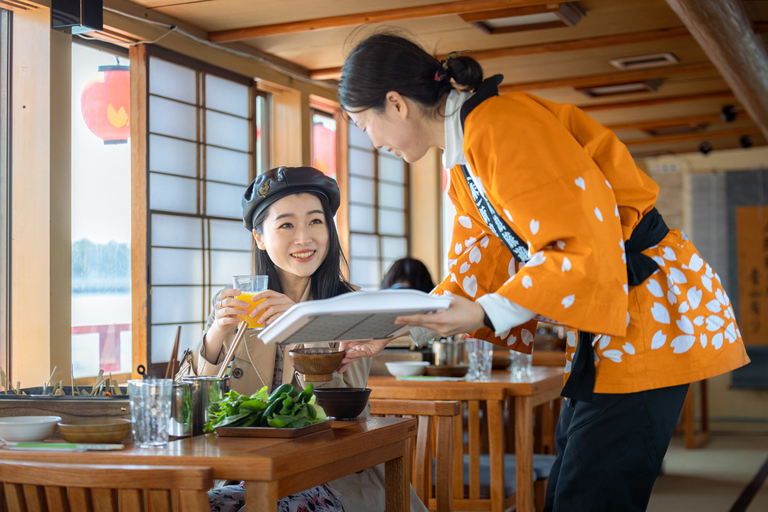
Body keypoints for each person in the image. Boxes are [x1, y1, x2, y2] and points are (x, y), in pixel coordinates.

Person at [337, 32, 750, 512]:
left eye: (362, 123)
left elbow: (578, 242)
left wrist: (484, 313)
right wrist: (387, 330)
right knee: (569, 490)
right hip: (611, 319)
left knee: (590, 494)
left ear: (395, 104)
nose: (370, 140)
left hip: (646, 308)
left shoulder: (500, 125)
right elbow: (477, 266)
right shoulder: (465, 156)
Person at [188, 166, 429, 512]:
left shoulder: (350, 307)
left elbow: (342, 412)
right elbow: (190, 415)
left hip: (336, 477)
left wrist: (300, 328)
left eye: (316, 222)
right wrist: (215, 336)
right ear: (259, 237)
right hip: (249, 476)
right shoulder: (238, 307)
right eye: (286, 225)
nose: (304, 238)